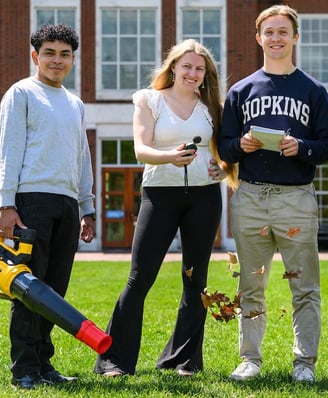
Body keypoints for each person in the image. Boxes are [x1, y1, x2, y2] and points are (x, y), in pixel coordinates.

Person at [94, 39, 237, 378]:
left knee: (196, 280)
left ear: (206, 74)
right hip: (159, 194)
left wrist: (224, 167)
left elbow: (223, 151)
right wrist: (170, 157)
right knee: (140, 277)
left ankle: (183, 360)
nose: (193, 73)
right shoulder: (149, 100)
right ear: (173, 67)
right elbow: (141, 149)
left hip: (204, 196)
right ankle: (114, 361)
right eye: (186, 66)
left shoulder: (211, 105)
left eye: (199, 68)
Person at [218, 5, 328, 383]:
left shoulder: (313, 91)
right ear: (259, 38)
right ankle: (250, 359)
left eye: (283, 32)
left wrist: (301, 148)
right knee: (251, 284)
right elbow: (224, 148)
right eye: (268, 32)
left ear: (295, 37)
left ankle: (305, 364)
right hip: (251, 196)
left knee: (303, 285)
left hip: (295, 198)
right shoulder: (241, 91)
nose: (276, 38)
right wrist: (242, 145)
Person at [0, 24, 96, 389]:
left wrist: (86, 207)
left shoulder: (75, 103)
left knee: (53, 292)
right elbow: (9, 150)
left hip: (67, 204)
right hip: (30, 201)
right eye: (50, 53)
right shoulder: (21, 93)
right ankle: (24, 368)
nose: (58, 60)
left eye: (65, 54)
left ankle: (44, 365)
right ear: (35, 56)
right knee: (29, 289)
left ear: (73, 59)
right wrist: (8, 204)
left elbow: (82, 158)